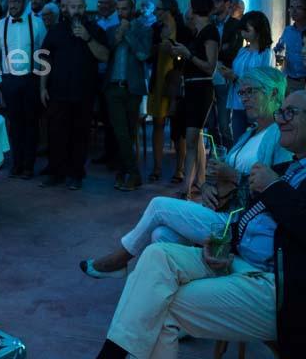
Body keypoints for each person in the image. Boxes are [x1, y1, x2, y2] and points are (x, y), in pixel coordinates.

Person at [93, 89, 306, 359]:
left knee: (160, 306)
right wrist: (227, 245)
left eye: (291, 112)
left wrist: (272, 187)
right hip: (240, 263)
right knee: (158, 254)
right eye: (281, 112)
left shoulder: (279, 176)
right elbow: (257, 220)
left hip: (276, 288)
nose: (281, 119)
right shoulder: (289, 168)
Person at [82, 66, 290, 279]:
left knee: (158, 205)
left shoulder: (280, 137)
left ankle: (120, 260)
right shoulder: (249, 133)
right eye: (242, 92)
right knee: (160, 234)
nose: (244, 98)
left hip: (238, 223)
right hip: (221, 211)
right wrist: (209, 187)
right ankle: (172, 286)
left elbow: (276, 192)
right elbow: (223, 178)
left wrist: (233, 177)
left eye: (251, 91)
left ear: (274, 93)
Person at [40, 0, 109, 190]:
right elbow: (46, 59)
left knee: (79, 135)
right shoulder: (56, 30)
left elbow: (105, 56)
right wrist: (42, 87)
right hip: (57, 92)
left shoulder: (94, 29)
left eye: (80, 7)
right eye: (73, 7)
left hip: (84, 92)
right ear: (66, 8)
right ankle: (56, 172)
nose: (76, 10)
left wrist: (87, 38)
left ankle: (76, 174)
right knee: (56, 133)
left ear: (85, 7)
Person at [0, 0, 47, 179]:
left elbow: (43, 53)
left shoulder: (37, 23)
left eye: (16, 1)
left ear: (24, 3)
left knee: (31, 124)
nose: (13, 5)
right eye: (10, 2)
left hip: (31, 79)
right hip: (9, 80)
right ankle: (16, 164)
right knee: (14, 125)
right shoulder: (0, 26)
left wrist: (41, 81)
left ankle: (29, 166)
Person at [170, 0, 219, 199]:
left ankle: (186, 189)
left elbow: (210, 67)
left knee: (191, 138)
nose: (186, 10)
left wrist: (188, 54)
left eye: (189, 5)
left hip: (201, 89)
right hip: (190, 88)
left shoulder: (210, 32)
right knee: (194, 137)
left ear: (195, 8)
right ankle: (197, 182)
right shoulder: (198, 32)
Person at [104, 0, 152, 191]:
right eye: (118, 9)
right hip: (113, 87)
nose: (121, 13)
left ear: (133, 10)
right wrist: (118, 35)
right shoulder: (112, 29)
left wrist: (129, 33)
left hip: (132, 88)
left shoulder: (143, 29)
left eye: (124, 9)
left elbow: (143, 55)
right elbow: (106, 54)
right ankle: (133, 174)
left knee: (129, 133)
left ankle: (123, 172)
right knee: (120, 132)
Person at [146, 0, 185, 182]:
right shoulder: (155, 29)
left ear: (168, 10)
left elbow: (186, 53)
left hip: (176, 80)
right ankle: (157, 167)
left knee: (178, 128)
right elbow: (148, 53)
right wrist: (156, 48)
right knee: (158, 123)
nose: (155, 12)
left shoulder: (182, 28)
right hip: (159, 78)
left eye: (158, 9)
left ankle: (180, 169)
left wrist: (174, 51)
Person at [220, 11, 274, 141]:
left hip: (256, 103)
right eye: (242, 30)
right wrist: (228, 74)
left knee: (255, 140)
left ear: (259, 30)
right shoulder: (242, 50)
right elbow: (237, 71)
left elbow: (263, 81)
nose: (243, 34)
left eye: (247, 30)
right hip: (238, 102)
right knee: (238, 140)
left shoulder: (266, 54)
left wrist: (236, 78)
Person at [210, 0, 243, 149]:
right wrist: (221, 48)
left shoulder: (236, 25)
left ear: (228, 4)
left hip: (224, 75)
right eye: (213, 0)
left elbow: (232, 52)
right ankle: (218, 155)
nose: (214, 4)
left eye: (218, 0)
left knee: (224, 124)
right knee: (210, 124)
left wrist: (218, 50)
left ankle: (230, 157)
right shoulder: (209, 23)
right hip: (208, 75)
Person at [94, 0, 120, 166]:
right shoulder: (96, 22)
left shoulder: (118, 22)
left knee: (114, 117)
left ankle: (115, 156)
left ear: (113, 5)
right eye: (100, 3)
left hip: (113, 74)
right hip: (98, 74)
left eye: (106, 4)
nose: (102, 7)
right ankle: (107, 152)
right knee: (104, 115)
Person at [273, 0, 306, 94]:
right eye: (291, 7)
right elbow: (279, 49)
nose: (293, 11)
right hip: (290, 81)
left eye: (298, 8)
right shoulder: (287, 30)